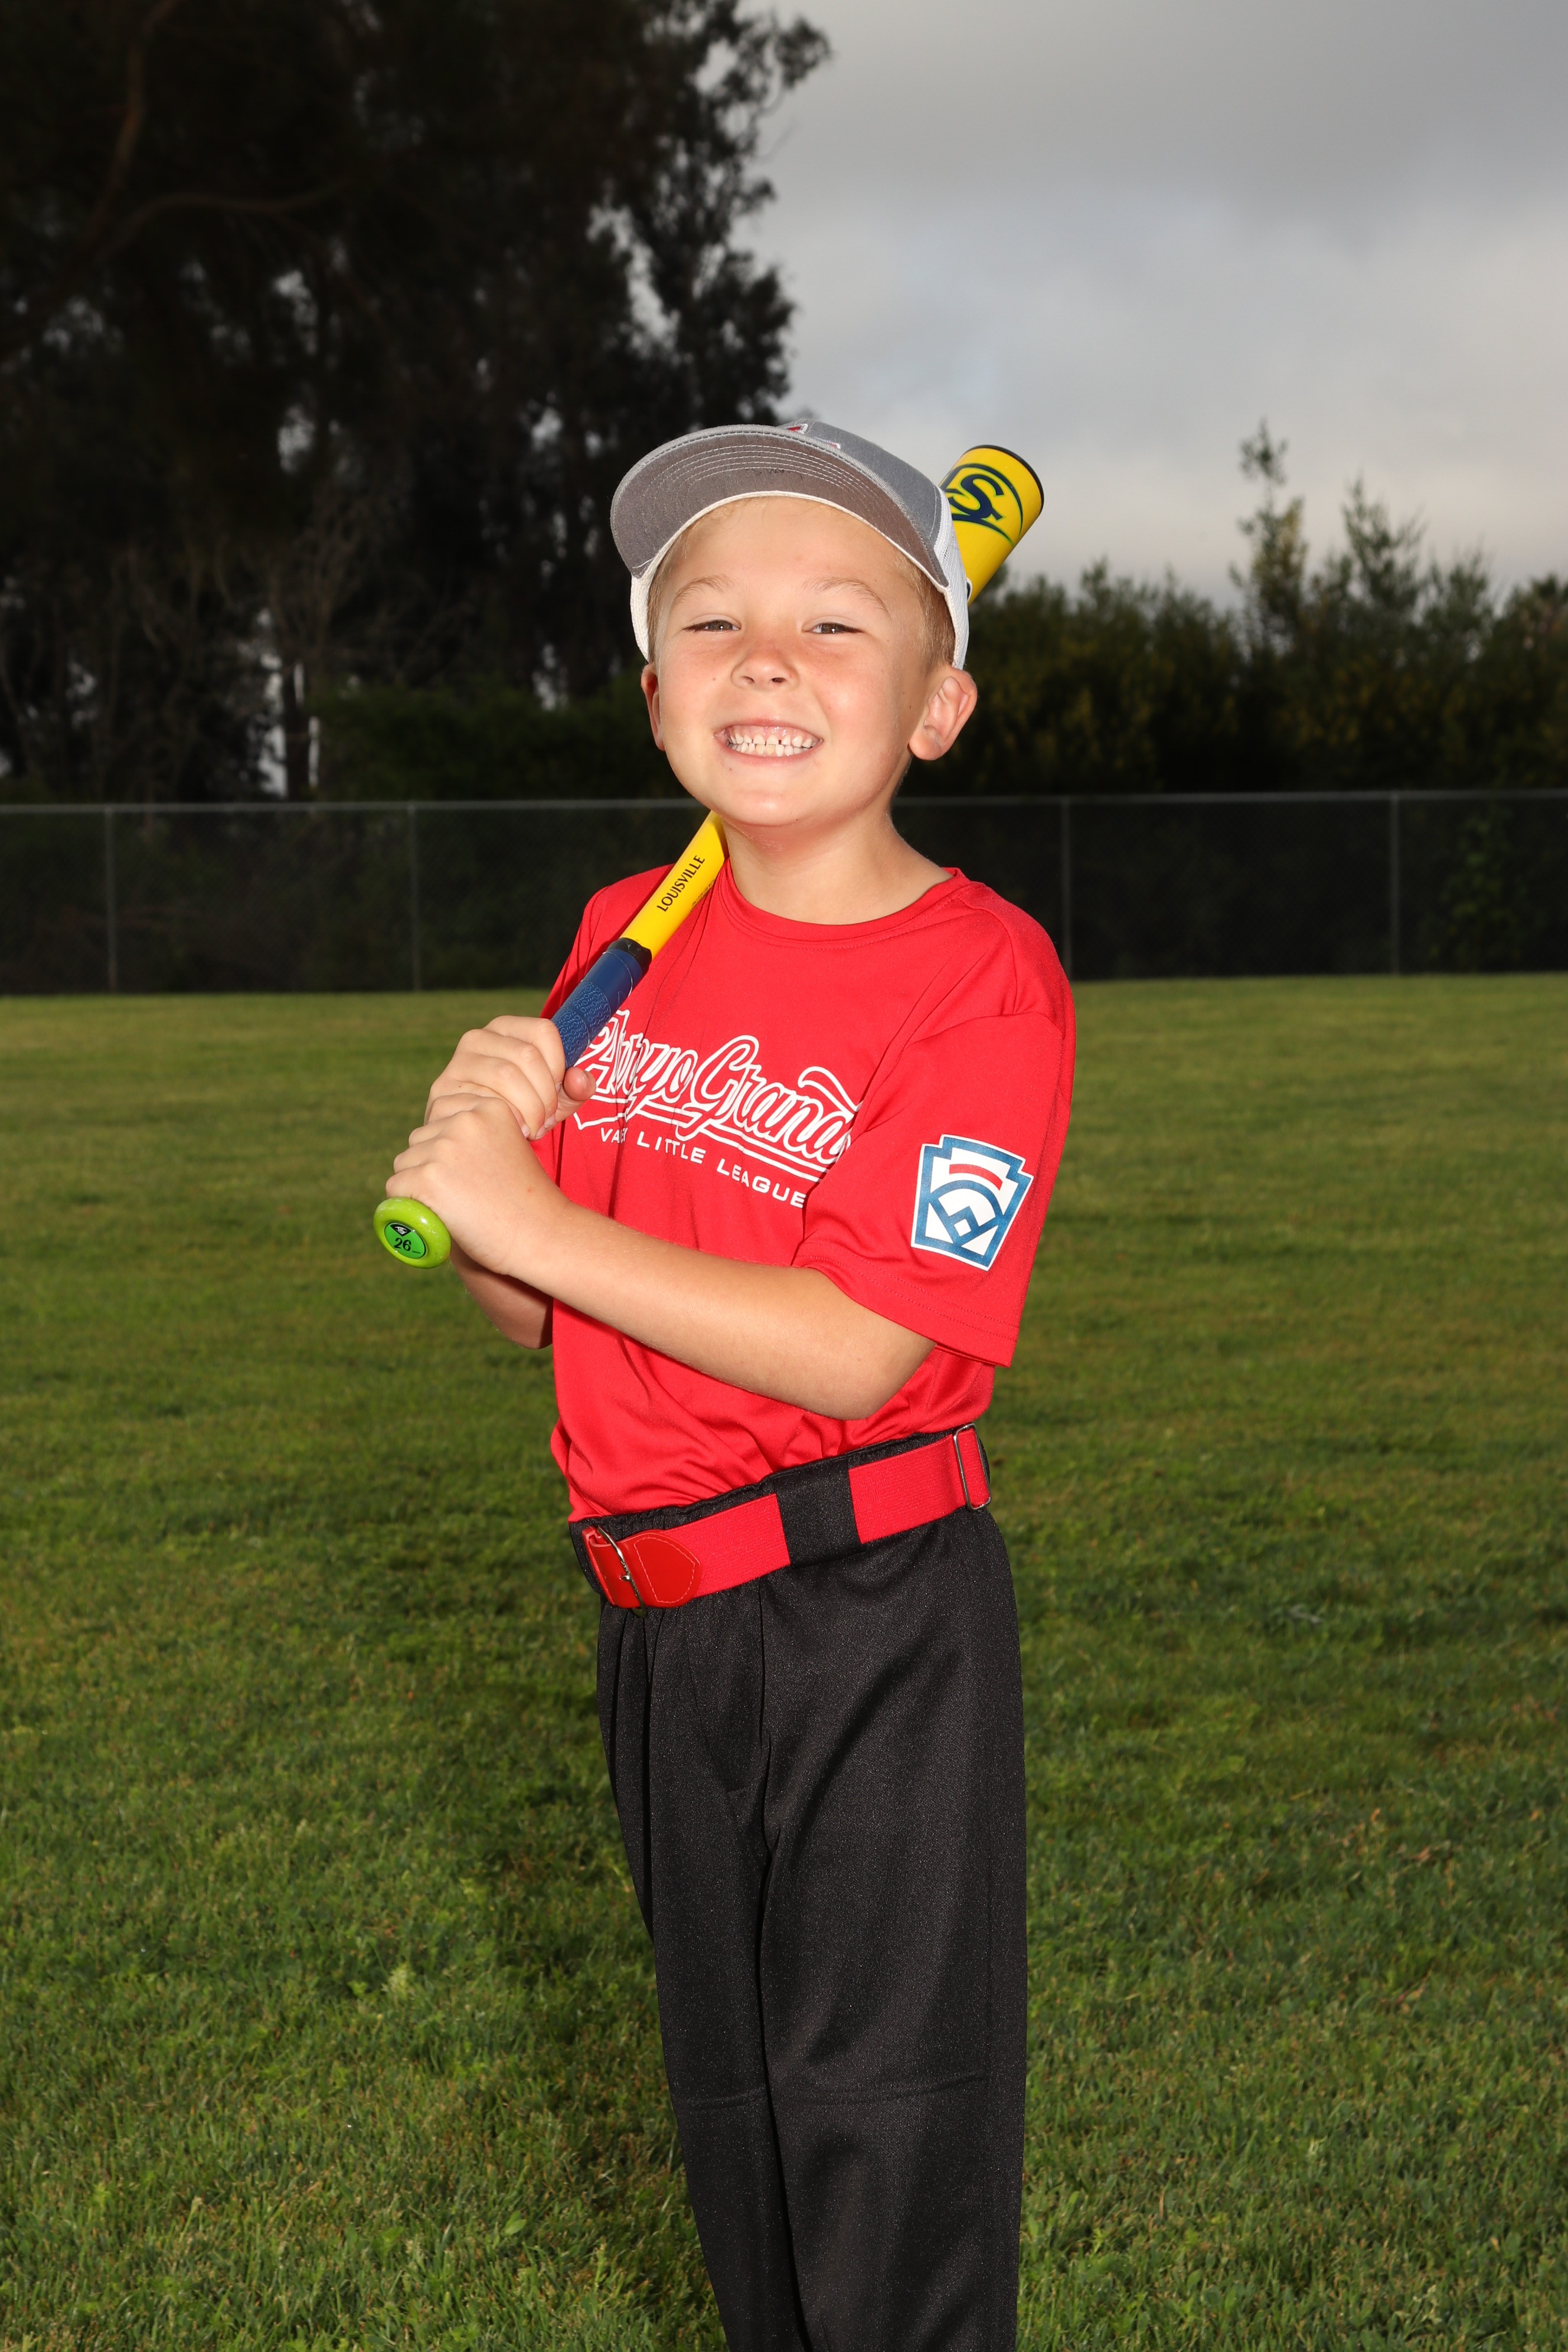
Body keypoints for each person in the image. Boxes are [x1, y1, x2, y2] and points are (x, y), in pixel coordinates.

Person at [388, 420, 1076, 2352]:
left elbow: (866, 1348)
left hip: (868, 1621)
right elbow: (547, 1318)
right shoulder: (631, 936)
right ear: (656, 694)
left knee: (882, 2159)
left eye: (837, 624)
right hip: (659, 1633)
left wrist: (538, 1216)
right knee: (746, 2161)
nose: (767, 657)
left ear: (938, 707)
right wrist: (495, 1194)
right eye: (713, 621)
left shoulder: (981, 975)